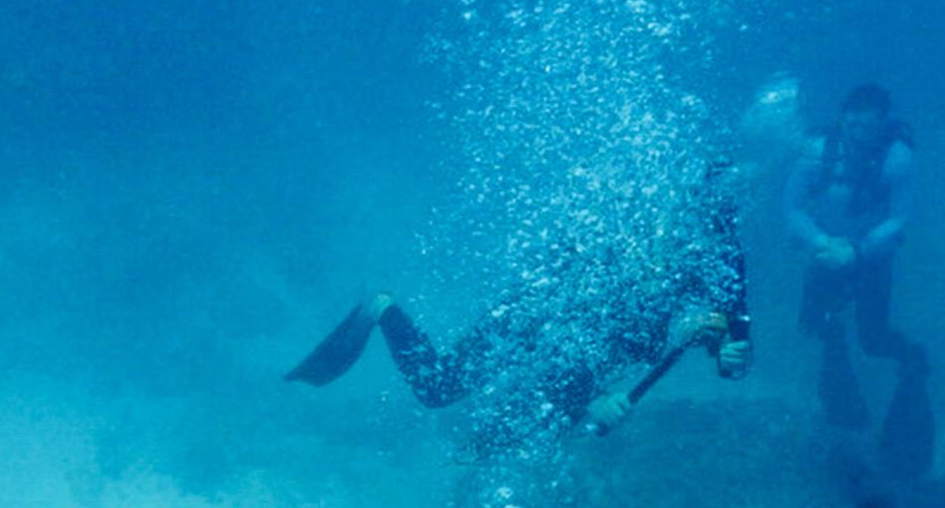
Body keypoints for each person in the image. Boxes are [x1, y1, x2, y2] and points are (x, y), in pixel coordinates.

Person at [285, 171, 755, 431]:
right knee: (438, 389)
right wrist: (592, 401)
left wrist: (727, 351)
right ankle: (381, 308)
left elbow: (731, 338)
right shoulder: (623, 259)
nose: (686, 245)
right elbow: (572, 342)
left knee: (531, 421)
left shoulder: (710, 253)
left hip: (584, 358)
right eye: (680, 227)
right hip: (534, 316)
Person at [785, 85, 929, 485]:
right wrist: (820, 242)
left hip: (870, 259)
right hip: (826, 250)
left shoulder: (897, 160)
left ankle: (912, 362)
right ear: (842, 119)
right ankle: (841, 397)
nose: (857, 133)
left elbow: (900, 218)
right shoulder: (817, 150)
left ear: (881, 126)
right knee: (810, 325)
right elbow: (793, 206)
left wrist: (859, 251)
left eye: (867, 126)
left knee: (874, 339)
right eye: (852, 122)